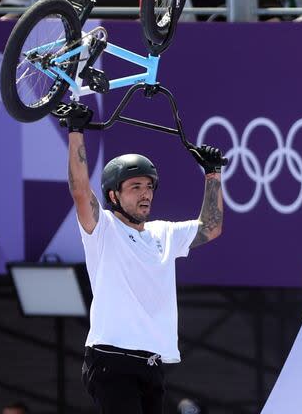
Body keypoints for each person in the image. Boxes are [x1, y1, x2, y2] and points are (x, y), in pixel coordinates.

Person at [61, 103, 225, 414]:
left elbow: (211, 228)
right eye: (135, 187)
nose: (145, 193)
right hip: (111, 360)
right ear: (113, 195)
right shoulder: (103, 228)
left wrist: (213, 174)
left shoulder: (163, 233)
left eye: (149, 186)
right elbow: (80, 191)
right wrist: (75, 132)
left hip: (152, 363)